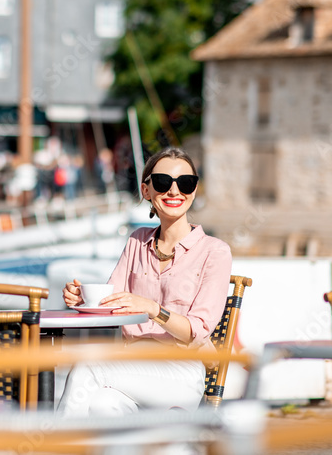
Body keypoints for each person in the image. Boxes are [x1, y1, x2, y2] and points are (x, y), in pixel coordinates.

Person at [58, 147, 232, 418]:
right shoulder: (137, 240)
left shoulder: (214, 251)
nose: (175, 191)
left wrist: (152, 308)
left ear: (194, 190)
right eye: (163, 182)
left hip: (179, 371)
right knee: (102, 404)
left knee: (88, 364)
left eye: (186, 183)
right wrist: (82, 297)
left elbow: (195, 331)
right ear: (146, 190)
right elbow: (111, 299)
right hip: (132, 364)